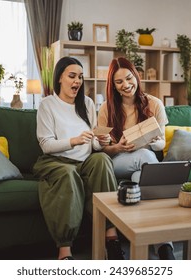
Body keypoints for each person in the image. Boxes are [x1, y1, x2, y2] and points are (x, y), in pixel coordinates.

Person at [33, 56, 124, 260]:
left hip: (84, 162)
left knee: (102, 160)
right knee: (67, 173)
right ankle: (64, 249)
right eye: (72, 76)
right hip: (56, 161)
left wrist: (102, 140)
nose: (77, 81)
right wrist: (73, 141)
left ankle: (111, 237)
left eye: (80, 77)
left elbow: (93, 144)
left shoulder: (88, 104)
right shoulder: (47, 105)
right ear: (59, 78)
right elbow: (46, 144)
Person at [97, 56, 175, 260]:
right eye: (119, 81)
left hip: (145, 160)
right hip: (118, 161)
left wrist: (152, 140)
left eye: (129, 78)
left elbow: (160, 145)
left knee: (141, 177)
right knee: (145, 158)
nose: (126, 85)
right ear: (112, 85)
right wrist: (118, 147)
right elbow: (103, 151)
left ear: (136, 77)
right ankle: (165, 243)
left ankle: (162, 245)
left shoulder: (154, 104)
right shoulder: (107, 108)